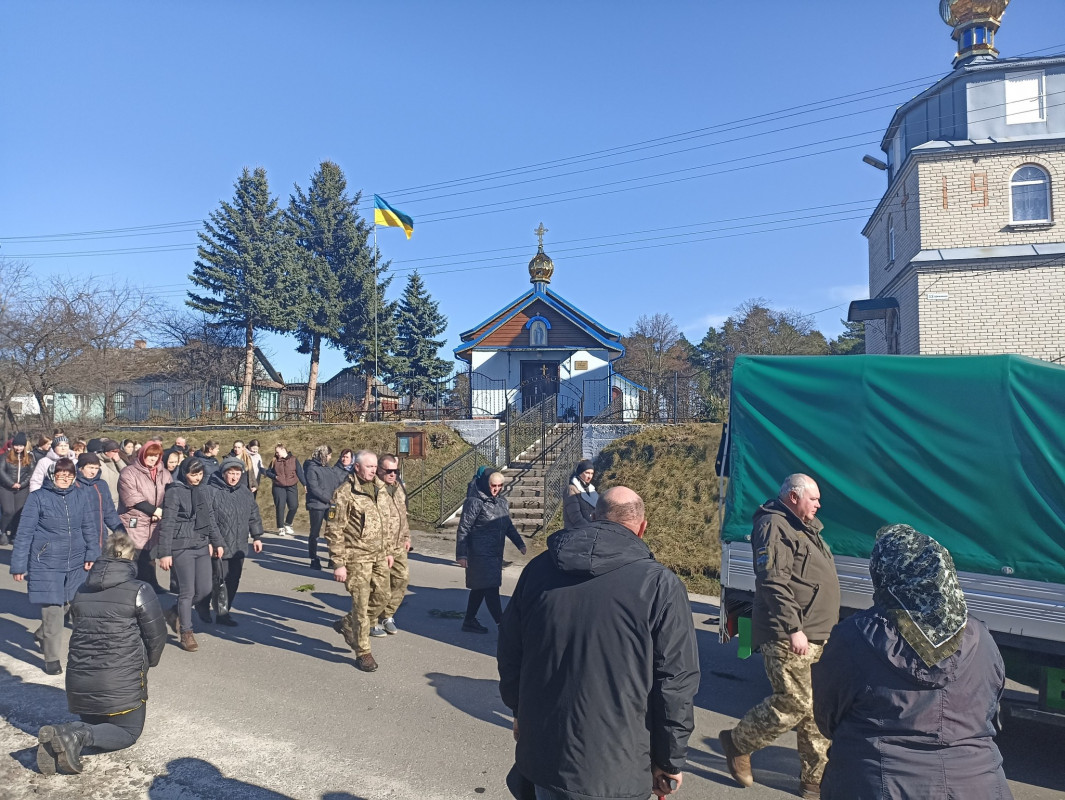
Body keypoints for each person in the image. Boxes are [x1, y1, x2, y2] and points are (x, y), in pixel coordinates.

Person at [498, 486, 700, 800]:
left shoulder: (538, 569)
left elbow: (510, 650)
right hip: (617, 766)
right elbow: (675, 681)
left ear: (594, 517)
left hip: (544, 754)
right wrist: (669, 759)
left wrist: (518, 711)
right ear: (642, 528)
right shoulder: (660, 585)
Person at [812, 524, 1012, 800]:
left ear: (883, 572)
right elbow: (991, 712)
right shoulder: (982, 637)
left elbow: (826, 717)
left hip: (875, 785)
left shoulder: (854, 637)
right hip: (977, 786)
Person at [719, 474, 840, 799]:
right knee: (794, 701)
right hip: (789, 634)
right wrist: (792, 627)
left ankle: (813, 780)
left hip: (816, 632)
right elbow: (773, 581)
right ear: (793, 497)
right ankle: (738, 741)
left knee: (815, 710)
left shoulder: (804, 527)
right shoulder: (774, 526)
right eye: (813, 498)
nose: (818, 503)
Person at [35, 532, 166, 776]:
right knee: (128, 732)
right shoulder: (140, 590)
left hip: (80, 681)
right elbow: (156, 637)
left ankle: (64, 733)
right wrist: (147, 664)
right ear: (131, 558)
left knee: (96, 725)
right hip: (120, 681)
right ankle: (76, 736)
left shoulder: (81, 589)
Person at [9, 457, 100, 674]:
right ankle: (51, 659)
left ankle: (42, 634)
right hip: (46, 562)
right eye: (60, 474)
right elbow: (24, 533)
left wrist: (92, 553)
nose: (65, 479)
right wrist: (19, 565)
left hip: (77, 561)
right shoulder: (38, 498)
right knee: (53, 610)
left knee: (69, 605)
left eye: (69, 475)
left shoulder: (81, 495)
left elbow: (89, 527)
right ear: (52, 475)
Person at [324, 450, 392, 672]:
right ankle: (363, 652)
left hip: (379, 554)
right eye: (369, 466)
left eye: (375, 466)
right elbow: (334, 529)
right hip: (356, 557)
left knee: (384, 596)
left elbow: (387, 521)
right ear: (357, 467)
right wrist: (339, 563)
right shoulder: (344, 493)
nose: (374, 470)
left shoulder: (380, 489)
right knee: (361, 605)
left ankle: (348, 624)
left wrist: (389, 550)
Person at [157, 458, 224, 651]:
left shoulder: (203, 490)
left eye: (200, 474)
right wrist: (165, 553)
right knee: (187, 591)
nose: (197, 478)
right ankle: (186, 633)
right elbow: (167, 522)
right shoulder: (174, 491)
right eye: (193, 474)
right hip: (181, 546)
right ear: (184, 472)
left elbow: (210, 517)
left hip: (201, 544)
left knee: (204, 589)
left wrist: (217, 542)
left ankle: (173, 612)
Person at [455, 469, 526, 633]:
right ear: (486, 484)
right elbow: (464, 528)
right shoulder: (474, 502)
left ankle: (469, 621)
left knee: (480, 588)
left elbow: (507, 525)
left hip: (495, 553)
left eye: (500, 486)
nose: (497, 489)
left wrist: (519, 543)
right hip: (479, 553)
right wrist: (461, 554)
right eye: (494, 485)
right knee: (491, 588)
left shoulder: (501, 502)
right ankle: (503, 625)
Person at [199, 457, 264, 625]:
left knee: (233, 580)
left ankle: (223, 612)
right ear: (223, 473)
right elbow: (207, 519)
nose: (234, 477)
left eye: (237, 473)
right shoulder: (210, 491)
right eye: (231, 473)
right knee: (216, 580)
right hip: (218, 545)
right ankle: (204, 607)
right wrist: (212, 542)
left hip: (239, 545)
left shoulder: (245, 492)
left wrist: (256, 536)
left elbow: (253, 515)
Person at [117, 442, 172, 592]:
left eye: (156, 456)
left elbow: (170, 494)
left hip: (155, 519)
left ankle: (152, 583)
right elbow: (132, 497)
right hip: (135, 519)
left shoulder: (164, 473)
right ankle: (131, 587)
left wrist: (159, 510)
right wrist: (154, 511)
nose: (153, 459)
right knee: (135, 554)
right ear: (142, 455)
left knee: (150, 553)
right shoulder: (128, 472)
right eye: (150, 455)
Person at [377, 454, 411, 634]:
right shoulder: (374, 489)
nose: (392, 474)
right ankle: (373, 618)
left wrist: (407, 536)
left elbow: (403, 514)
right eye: (388, 471)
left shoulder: (398, 488)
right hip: (381, 546)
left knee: (402, 578)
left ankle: (387, 614)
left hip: (398, 544)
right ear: (379, 470)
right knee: (379, 586)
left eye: (395, 471)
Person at [304, 444, 345, 571]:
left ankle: (333, 558)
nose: (330, 457)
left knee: (333, 531)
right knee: (315, 533)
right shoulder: (311, 468)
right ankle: (313, 558)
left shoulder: (329, 469)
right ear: (323, 455)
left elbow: (336, 483)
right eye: (329, 455)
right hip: (317, 505)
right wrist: (327, 499)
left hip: (330, 506)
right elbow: (314, 488)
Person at [75, 453, 125, 550]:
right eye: (90, 467)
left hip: (101, 537)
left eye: (96, 468)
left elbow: (109, 513)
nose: (93, 472)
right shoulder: (73, 485)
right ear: (81, 467)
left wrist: (121, 532)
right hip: (79, 539)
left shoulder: (101, 485)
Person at [263, 443, 304, 536]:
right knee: (280, 506)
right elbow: (268, 472)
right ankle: (281, 527)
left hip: (291, 485)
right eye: (276, 452)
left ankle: (288, 524)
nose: (276, 454)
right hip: (278, 486)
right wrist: (275, 476)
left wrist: (305, 484)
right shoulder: (274, 460)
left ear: (283, 450)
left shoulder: (293, 459)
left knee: (294, 506)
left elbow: (300, 472)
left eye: (277, 452)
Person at [0, 432, 33, 546]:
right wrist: (11, 483)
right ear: (13, 445)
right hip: (6, 488)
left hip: (22, 488)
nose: (18, 448)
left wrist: (22, 484)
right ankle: (2, 531)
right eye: (16, 445)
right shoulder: (5, 456)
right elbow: (1, 471)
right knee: (8, 511)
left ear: (24, 446)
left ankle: (14, 533)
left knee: (19, 512)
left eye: (21, 446)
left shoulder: (29, 457)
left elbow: (31, 473)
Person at [562, 459, 597, 528]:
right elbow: (574, 516)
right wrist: (589, 528)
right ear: (580, 472)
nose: (590, 476)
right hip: (575, 532)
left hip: (590, 531)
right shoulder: (571, 489)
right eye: (587, 473)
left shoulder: (591, 490)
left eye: (592, 473)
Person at [95, 438, 124, 506]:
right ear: (106, 452)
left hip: (118, 500)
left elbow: (127, 473)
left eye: (117, 451)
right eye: (114, 451)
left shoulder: (118, 461)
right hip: (103, 500)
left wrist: (119, 461)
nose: (116, 454)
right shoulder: (97, 462)